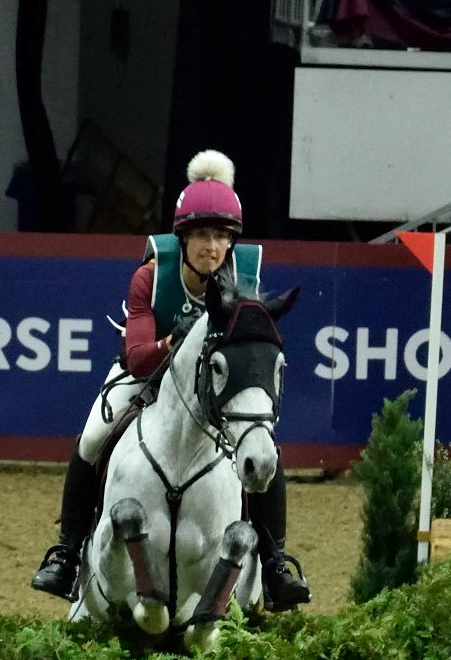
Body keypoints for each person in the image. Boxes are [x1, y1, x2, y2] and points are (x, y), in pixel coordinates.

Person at [31, 149, 311, 611]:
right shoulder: (151, 275)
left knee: (265, 448)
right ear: (182, 239)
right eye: (202, 235)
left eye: (222, 237)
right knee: (92, 436)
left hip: (213, 384)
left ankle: (276, 563)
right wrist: (172, 345)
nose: (213, 248)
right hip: (151, 376)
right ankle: (66, 551)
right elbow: (139, 356)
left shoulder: (244, 275)